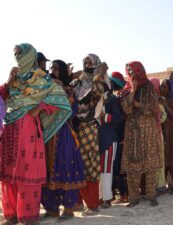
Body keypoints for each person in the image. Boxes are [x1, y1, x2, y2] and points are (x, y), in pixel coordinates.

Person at [0, 43, 71, 224]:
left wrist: (40, 107)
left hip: (28, 130)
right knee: (9, 172)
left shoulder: (40, 77)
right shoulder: (13, 79)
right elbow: (2, 97)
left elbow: (59, 99)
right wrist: (8, 80)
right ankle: (12, 214)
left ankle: (28, 215)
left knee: (27, 171)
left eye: (20, 54)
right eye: (14, 54)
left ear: (29, 55)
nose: (17, 58)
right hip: (10, 128)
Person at [41, 59, 86, 221]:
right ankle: (52, 208)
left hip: (64, 135)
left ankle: (68, 209)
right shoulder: (46, 89)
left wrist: (61, 89)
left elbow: (71, 111)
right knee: (47, 170)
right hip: (48, 135)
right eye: (51, 67)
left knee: (65, 167)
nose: (53, 70)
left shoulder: (69, 90)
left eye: (56, 68)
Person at [120, 61, 162, 207]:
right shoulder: (126, 89)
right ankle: (134, 198)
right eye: (128, 71)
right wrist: (133, 89)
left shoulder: (149, 87)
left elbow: (154, 108)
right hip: (133, 132)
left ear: (139, 71)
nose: (130, 74)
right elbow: (126, 108)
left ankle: (151, 196)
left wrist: (138, 105)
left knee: (150, 164)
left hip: (148, 131)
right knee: (133, 164)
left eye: (132, 71)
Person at [70, 53, 103, 216]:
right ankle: (78, 202)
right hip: (75, 127)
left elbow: (96, 96)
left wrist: (96, 77)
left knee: (90, 164)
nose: (87, 65)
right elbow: (70, 96)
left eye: (90, 63)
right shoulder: (77, 82)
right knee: (77, 163)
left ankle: (92, 204)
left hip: (89, 127)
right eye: (85, 62)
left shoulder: (98, 82)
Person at [95, 64, 125, 209]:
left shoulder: (111, 99)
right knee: (100, 170)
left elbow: (119, 118)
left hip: (108, 139)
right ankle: (101, 197)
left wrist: (105, 117)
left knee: (106, 171)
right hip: (99, 139)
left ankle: (107, 199)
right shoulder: (97, 100)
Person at [109, 72, 128, 204]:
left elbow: (118, 119)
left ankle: (123, 194)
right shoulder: (117, 96)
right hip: (119, 135)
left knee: (118, 166)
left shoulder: (116, 97)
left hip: (119, 135)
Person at [149, 78, 168, 195]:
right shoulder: (158, 101)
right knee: (158, 159)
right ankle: (158, 186)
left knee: (156, 159)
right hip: (156, 133)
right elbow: (163, 118)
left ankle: (157, 186)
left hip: (152, 134)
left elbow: (162, 117)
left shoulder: (157, 101)